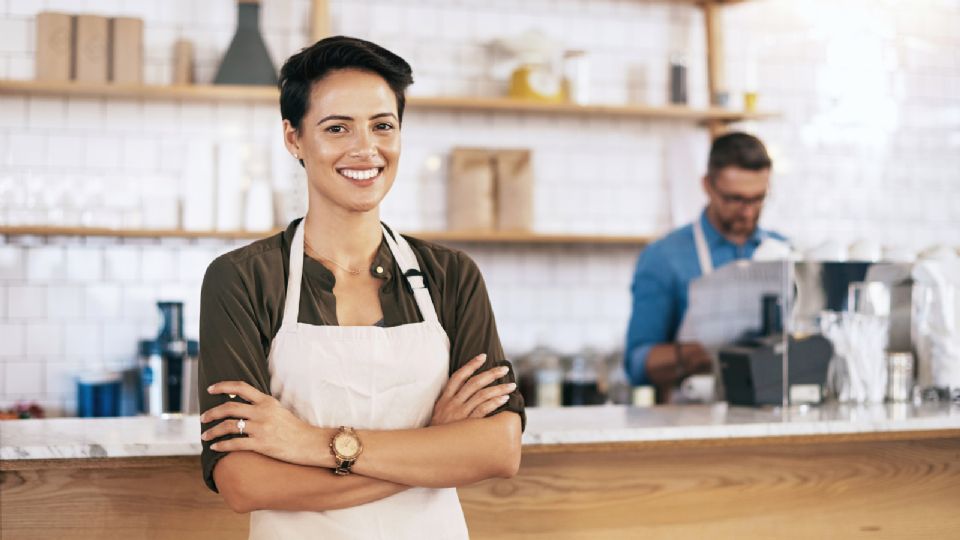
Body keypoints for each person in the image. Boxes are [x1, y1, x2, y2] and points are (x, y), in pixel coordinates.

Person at [197, 36, 524, 539]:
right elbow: (245, 482)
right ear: (294, 139)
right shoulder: (241, 279)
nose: (366, 149)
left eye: (382, 126)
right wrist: (435, 446)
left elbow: (498, 449)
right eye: (336, 128)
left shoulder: (451, 277)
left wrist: (312, 443)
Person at [624, 132, 787, 401]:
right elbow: (637, 363)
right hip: (692, 420)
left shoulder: (783, 252)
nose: (747, 212)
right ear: (707, 186)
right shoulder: (663, 257)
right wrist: (689, 356)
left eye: (757, 199)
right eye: (735, 199)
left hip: (771, 414)